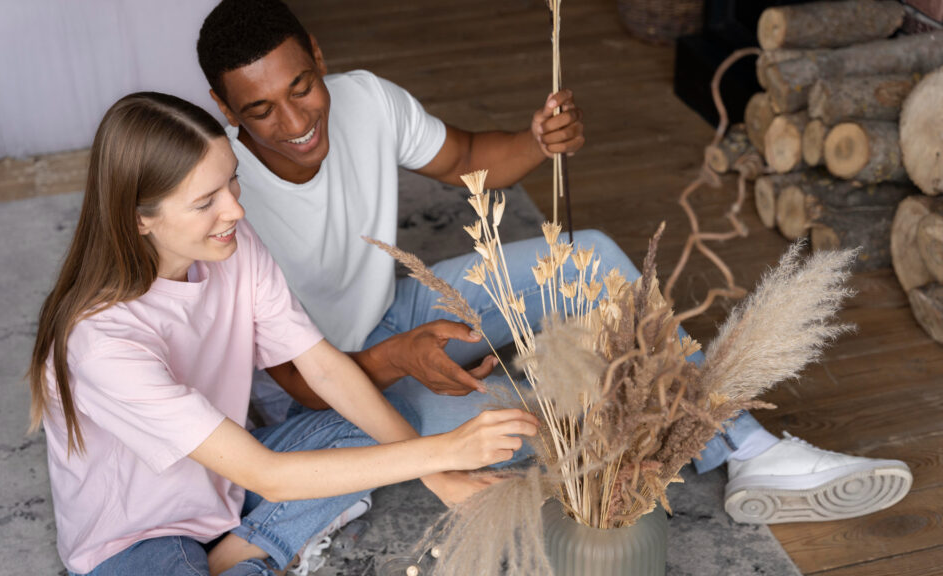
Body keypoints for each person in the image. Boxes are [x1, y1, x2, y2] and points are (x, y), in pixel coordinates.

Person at [196, 0, 910, 534]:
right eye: (259, 111)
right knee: (513, 425)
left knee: (590, 257)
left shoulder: (364, 100)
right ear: (223, 109)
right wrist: (393, 359)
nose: (294, 124)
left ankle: (747, 447)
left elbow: (470, 157)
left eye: (302, 88)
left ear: (318, 56)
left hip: (399, 309)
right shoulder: (227, 203)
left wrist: (538, 141)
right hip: (326, 390)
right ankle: (670, 443)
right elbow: (300, 381)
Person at [27, 92, 539, 576]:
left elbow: (322, 366)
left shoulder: (230, 242)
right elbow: (268, 476)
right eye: (205, 202)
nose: (235, 210)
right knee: (391, 449)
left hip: (228, 480)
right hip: (140, 536)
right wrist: (447, 451)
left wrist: (439, 477)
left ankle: (238, 554)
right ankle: (257, 552)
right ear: (140, 219)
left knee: (388, 415)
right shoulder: (101, 343)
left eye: (232, 182)